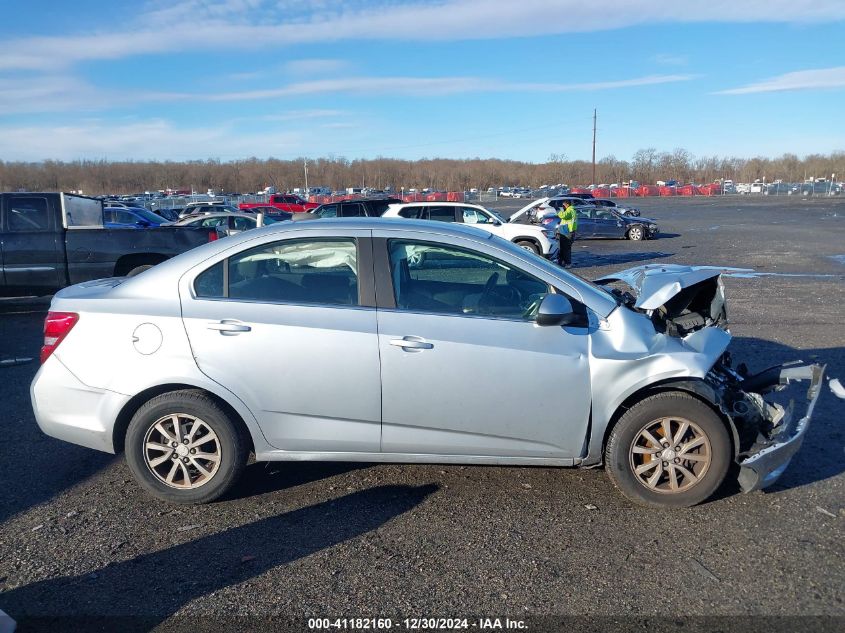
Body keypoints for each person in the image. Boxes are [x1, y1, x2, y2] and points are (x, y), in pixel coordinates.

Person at [556, 201, 578, 268]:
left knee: (566, 249)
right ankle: (561, 261)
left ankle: (568, 263)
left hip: (567, 232)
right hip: (566, 231)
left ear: (567, 204)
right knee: (563, 248)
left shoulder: (570, 210)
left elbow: (564, 216)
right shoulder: (571, 210)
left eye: (563, 205)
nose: (563, 206)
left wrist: (557, 210)